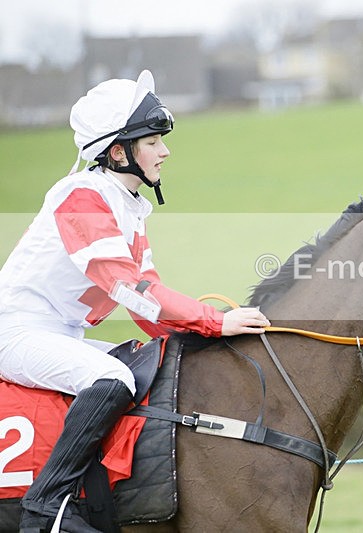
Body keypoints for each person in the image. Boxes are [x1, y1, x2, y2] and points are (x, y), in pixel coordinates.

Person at [0, 70, 269, 533]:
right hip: (17, 331)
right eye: (152, 141)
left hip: (60, 333)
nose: (165, 151)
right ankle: (45, 507)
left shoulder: (127, 204)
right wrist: (213, 322)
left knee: (151, 364)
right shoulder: (81, 197)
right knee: (114, 377)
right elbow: (130, 290)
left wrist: (200, 339)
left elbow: (145, 304)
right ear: (119, 151)